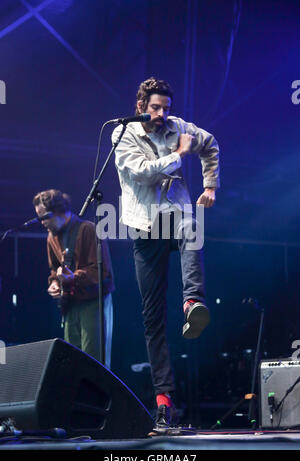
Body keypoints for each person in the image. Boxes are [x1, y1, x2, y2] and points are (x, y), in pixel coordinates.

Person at [112, 77, 220, 427]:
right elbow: (142, 174)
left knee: (193, 226)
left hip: (176, 213)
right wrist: (179, 154)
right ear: (141, 106)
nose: (162, 114)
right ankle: (163, 400)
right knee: (152, 316)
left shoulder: (179, 126)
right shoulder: (122, 135)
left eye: (166, 108)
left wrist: (209, 185)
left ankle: (192, 301)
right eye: (156, 107)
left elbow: (211, 144)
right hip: (144, 224)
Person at [33, 189, 115, 369]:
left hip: (94, 300)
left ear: (59, 209)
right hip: (71, 303)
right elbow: (54, 270)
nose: (43, 223)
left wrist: (73, 277)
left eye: (45, 217)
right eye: (39, 218)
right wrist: (54, 282)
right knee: (73, 359)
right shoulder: (51, 237)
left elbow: (102, 272)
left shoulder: (88, 229)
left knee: (94, 359)